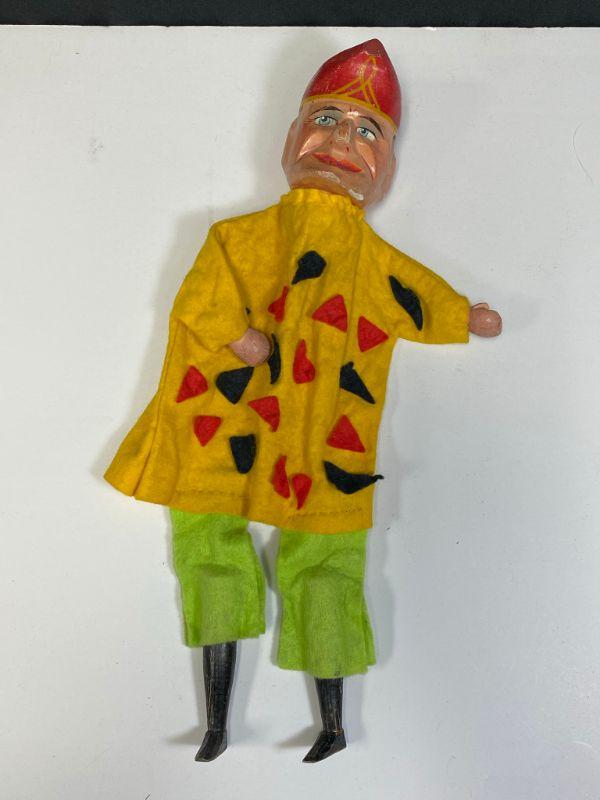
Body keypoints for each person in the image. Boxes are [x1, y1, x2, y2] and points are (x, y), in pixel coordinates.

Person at [104, 39, 502, 763]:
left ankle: (333, 725)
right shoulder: (236, 237)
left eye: (367, 130)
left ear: (388, 167)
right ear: (289, 138)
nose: (342, 140)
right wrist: (239, 336)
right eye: (325, 119)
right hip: (220, 424)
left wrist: (462, 316)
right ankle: (219, 720)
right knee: (211, 552)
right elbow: (201, 299)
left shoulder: (373, 262)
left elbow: (413, 293)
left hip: (323, 442)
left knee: (326, 564)